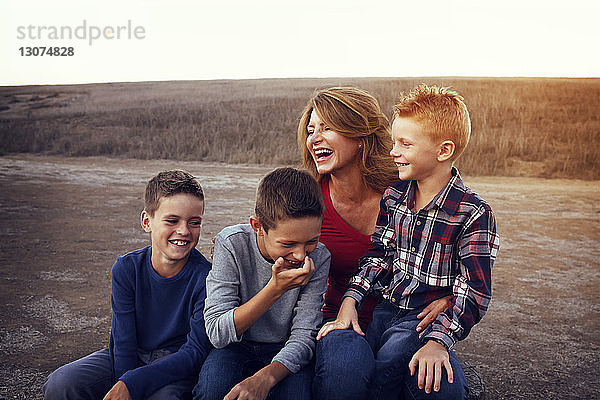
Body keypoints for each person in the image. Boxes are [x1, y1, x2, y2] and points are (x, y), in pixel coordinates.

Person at [318, 84, 500, 400]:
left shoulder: (473, 213)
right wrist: (351, 299)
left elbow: (474, 288)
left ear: (443, 151)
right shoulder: (396, 197)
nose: (393, 152)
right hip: (383, 310)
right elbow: (379, 256)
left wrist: (438, 340)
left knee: (394, 360)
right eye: (393, 142)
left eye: (405, 144)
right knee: (363, 360)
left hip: (422, 319)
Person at [297, 86, 451, 399]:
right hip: (339, 317)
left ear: (360, 134)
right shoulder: (308, 196)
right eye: (311, 130)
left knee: (441, 389)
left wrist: (448, 298)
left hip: (407, 319)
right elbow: (269, 234)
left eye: (328, 127)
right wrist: (234, 241)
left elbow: (453, 250)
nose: (314, 138)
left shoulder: (408, 189)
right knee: (347, 369)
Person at [43, 170, 212, 400]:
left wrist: (132, 384)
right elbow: (123, 339)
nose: (184, 231)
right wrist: (123, 381)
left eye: (194, 222)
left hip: (175, 365)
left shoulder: (205, 277)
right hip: (132, 355)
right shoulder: (126, 269)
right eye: (172, 220)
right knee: (62, 383)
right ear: (147, 222)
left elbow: (195, 352)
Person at [193, 167, 330, 400]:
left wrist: (265, 378)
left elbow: (304, 337)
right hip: (236, 346)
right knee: (213, 390)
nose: (300, 255)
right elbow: (217, 333)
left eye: (311, 241)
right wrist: (274, 289)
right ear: (258, 226)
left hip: (286, 347)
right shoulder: (232, 244)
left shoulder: (319, 257)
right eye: (288, 243)